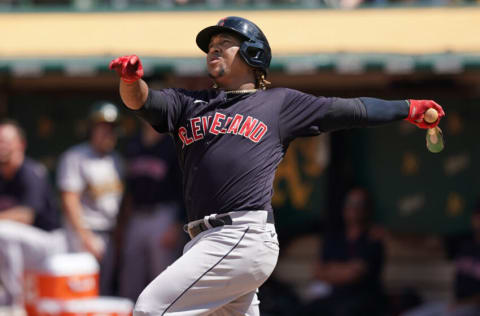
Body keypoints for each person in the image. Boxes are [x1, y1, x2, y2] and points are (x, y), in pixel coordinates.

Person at [109, 16, 445, 315]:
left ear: (253, 54)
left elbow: (350, 110)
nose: (214, 50)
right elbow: (143, 100)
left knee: (150, 308)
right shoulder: (188, 104)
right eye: (210, 46)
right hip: (205, 240)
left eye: (224, 43)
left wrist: (407, 107)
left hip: (239, 235)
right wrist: (129, 80)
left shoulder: (279, 104)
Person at [56, 101, 124, 293]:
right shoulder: (75, 156)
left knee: (103, 291)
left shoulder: (116, 160)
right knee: (81, 290)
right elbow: (69, 200)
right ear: (91, 129)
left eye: (112, 129)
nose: (108, 133)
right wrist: (85, 236)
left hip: (108, 233)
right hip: (85, 233)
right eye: (102, 128)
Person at [114, 121, 185, 302]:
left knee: (163, 277)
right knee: (130, 277)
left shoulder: (173, 145)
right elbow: (128, 191)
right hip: (136, 217)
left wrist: (177, 225)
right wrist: (122, 225)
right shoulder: (133, 145)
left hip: (163, 215)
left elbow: (184, 189)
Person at [0, 119, 63, 308]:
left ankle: (14, 304)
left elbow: (26, 216)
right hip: (19, 244)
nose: (1, 146)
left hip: (49, 241)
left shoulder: (32, 171)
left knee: (2, 231)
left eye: (6, 141)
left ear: (21, 144)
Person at [301, 187, 386, 316]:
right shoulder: (334, 238)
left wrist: (332, 270)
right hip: (335, 297)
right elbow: (318, 271)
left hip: (364, 301)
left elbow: (355, 274)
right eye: (350, 204)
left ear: (367, 209)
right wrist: (345, 269)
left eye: (359, 204)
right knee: (305, 310)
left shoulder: (373, 239)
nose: (354, 208)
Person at [402, 202, 480, 316]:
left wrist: (465, 303)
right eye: (477, 215)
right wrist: (390, 235)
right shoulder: (464, 241)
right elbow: (426, 244)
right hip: (456, 304)